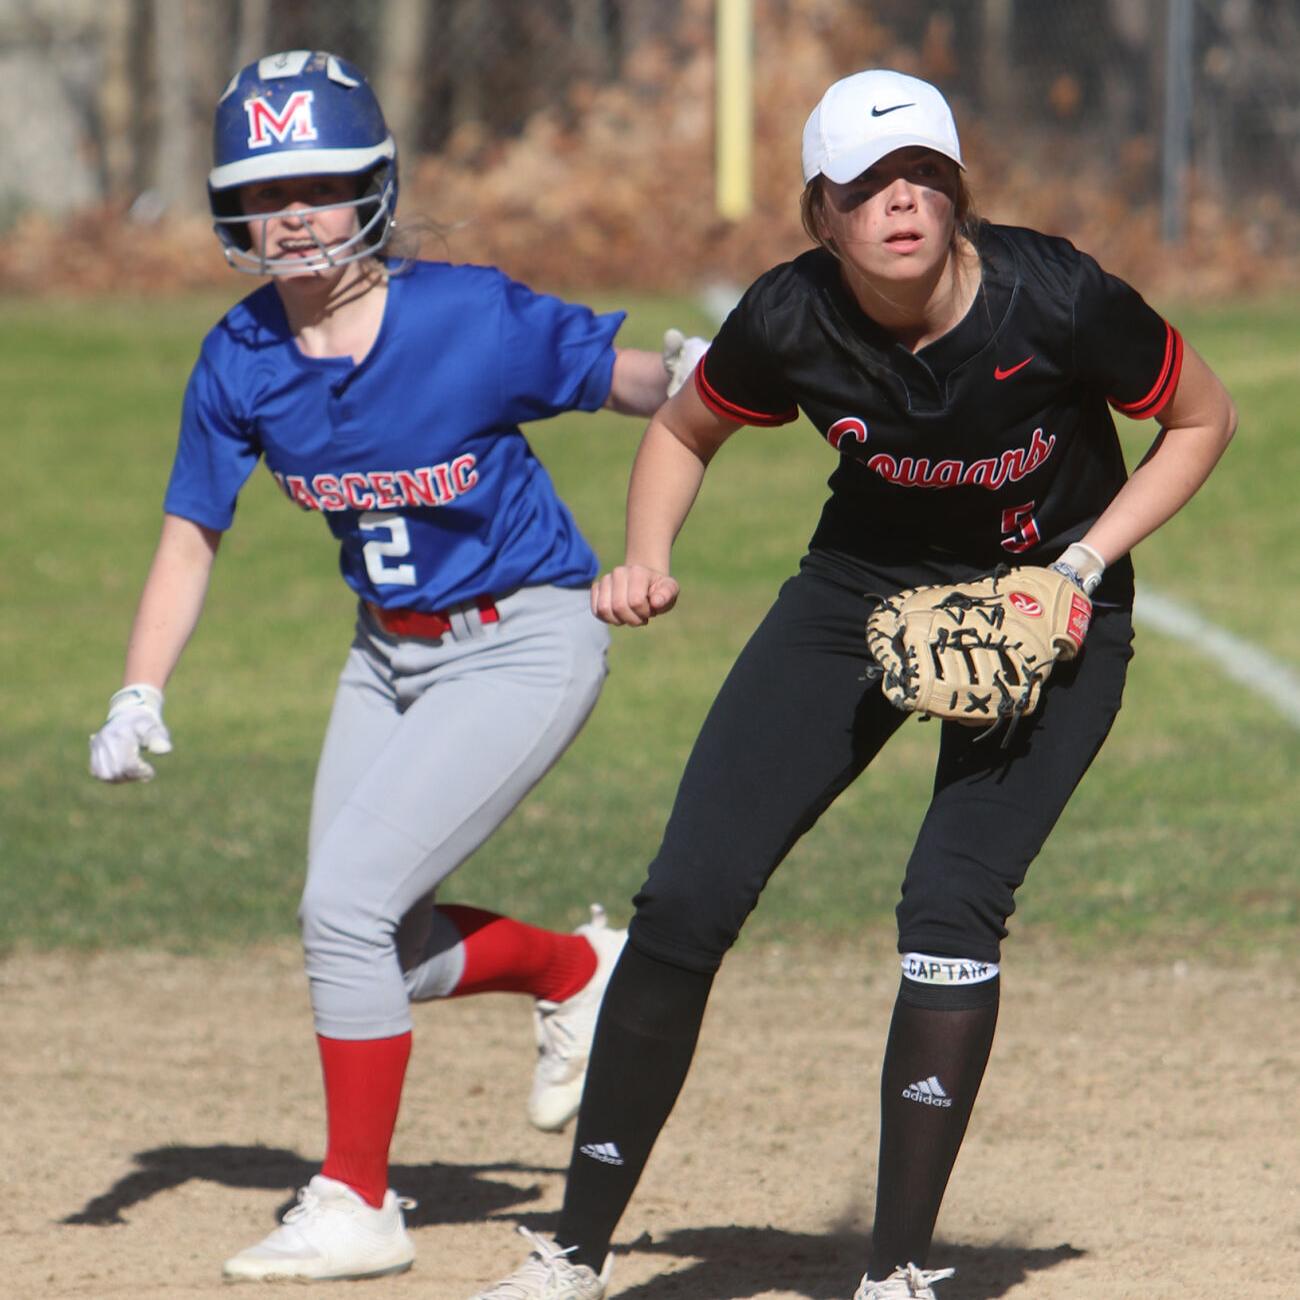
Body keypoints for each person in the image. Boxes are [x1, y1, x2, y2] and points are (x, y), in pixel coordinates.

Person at [473, 68, 1236, 1300]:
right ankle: (571, 1250)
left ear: (956, 192)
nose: (899, 202)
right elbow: (680, 427)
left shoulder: (1056, 296)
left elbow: (1202, 418)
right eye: (865, 185)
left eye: (922, 175)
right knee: (686, 898)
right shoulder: (788, 316)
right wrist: (648, 555)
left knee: (948, 902)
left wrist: (1079, 564)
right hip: (855, 592)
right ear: (819, 213)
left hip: (1047, 607)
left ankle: (898, 1271)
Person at [86, 49, 706, 1285]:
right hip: (386, 654)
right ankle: (575, 968)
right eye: (267, 191)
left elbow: (619, 378)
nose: (294, 212)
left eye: (320, 182)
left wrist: (691, 374)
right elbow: (188, 537)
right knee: (381, 939)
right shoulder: (241, 357)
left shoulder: (465, 316)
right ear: (232, 211)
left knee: (341, 914)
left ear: (374, 184)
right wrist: (138, 685)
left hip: (526, 635)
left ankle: (359, 1200)